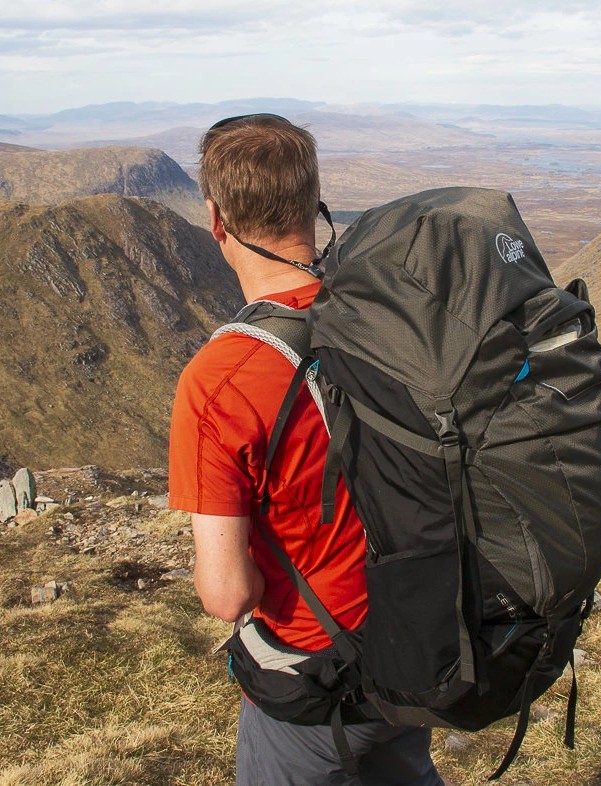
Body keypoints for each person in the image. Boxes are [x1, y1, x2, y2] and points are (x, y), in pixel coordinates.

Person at [168, 114, 449, 786]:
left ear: (215, 218)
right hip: (415, 640)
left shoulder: (220, 380)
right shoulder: (383, 317)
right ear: (311, 205)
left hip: (316, 675)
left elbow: (226, 595)